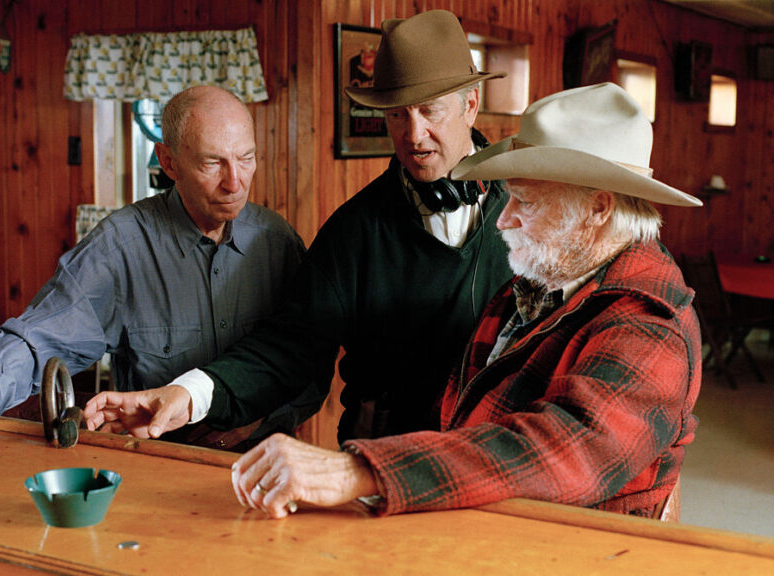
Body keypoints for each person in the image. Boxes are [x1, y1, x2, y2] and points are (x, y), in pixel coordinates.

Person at [228, 82, 704, 519]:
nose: (503, 220)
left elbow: (562, 450)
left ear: (598, 208)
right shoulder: (541, 280)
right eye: (509, 198)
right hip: (492, 527)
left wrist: (360, 472)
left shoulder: (650, 322)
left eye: (527, 202)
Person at [82, 10, 513, 445]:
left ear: (470, 105)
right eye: (398, 115)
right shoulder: (353, 231)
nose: (414, 133)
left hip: (500, 454)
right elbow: (287, 348)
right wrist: (186, 394)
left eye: (429, 111)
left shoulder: (529, 210)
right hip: (381, 459)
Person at [0, 85, 308, 449]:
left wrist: (259, 421)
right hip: (161, 465)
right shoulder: (120, 246)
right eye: (212, 163)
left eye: (247, 158)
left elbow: (311, 355)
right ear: (168, 162)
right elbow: (44, 336)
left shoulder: (277, 241)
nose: (235, 182)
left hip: (270, 458)